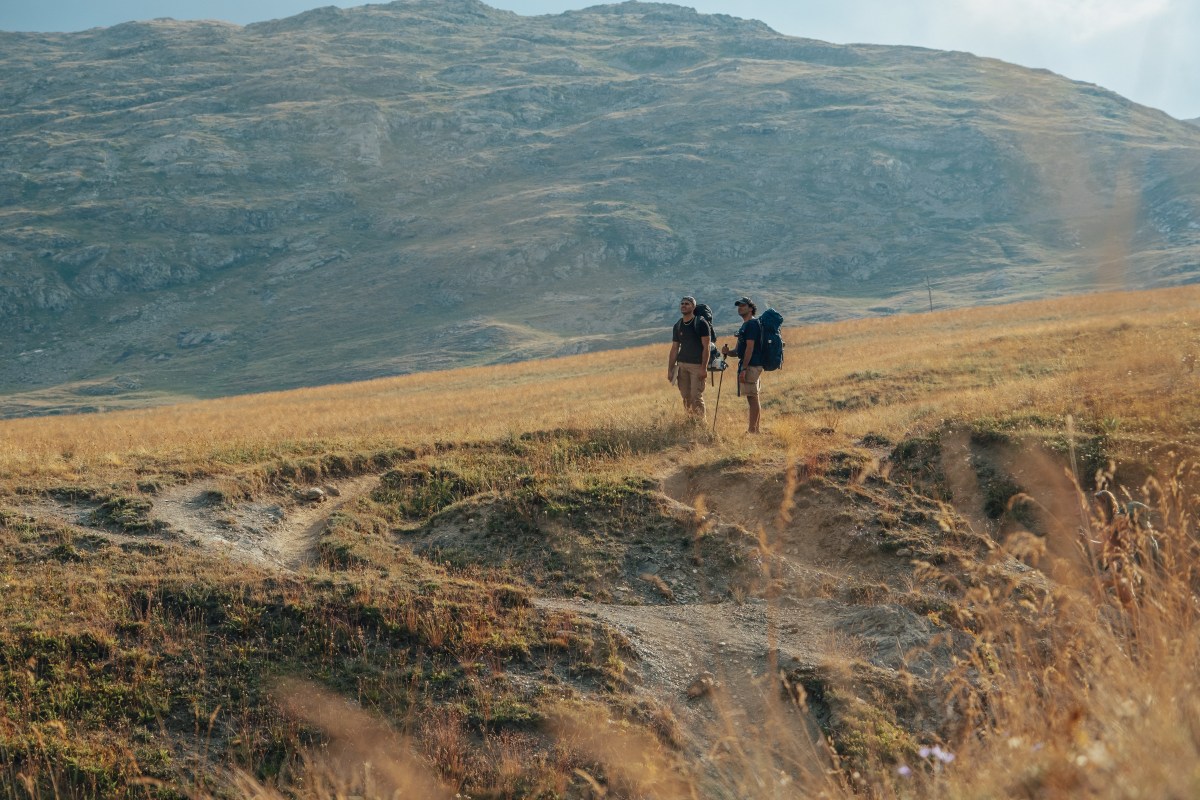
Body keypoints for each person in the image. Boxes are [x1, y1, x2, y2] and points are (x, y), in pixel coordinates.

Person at [722, 296, 763, 433]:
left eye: (743, 305)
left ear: (751, 309)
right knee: (752, 397)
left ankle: (753, 430)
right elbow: (740, 351)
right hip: (749, 365)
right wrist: (729, 352)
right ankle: (754, 429)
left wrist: (744, 369)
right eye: (739, 306)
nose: (740, 308)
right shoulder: (746, 325)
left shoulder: (751, 324)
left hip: (751, 365)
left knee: (752, 397)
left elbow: (750, 348)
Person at [667, 296, 712, 419]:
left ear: (693, 307)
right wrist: (670, 370)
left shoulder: (701, 323)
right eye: (682, 303)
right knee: (686, 397)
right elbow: (674, 348)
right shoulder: (678, 325)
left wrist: (704, 368)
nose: (684, 305)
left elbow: (706, 347)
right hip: (682, 366)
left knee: (696, 397)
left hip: (697, 366)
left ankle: (700, 425)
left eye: (687, 303)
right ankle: (690, 422)